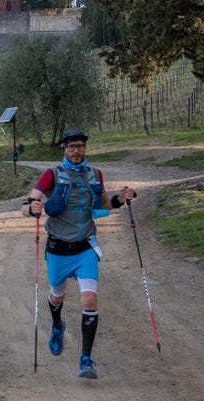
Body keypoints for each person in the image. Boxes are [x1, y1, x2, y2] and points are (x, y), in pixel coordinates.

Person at [20, 129, 136, 379]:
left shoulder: (95, 174)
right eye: (71, 146)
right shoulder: (51, 174)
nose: (75, 150)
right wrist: (33, 208)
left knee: (89, 301)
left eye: (79, 146)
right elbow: (27, 205)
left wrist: (122, 198)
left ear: (85, 148)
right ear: (64, 148)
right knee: (56, 297)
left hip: (86, 247)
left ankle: (86, 360)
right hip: (58, 248)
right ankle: (58, 325)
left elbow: (104, 205)